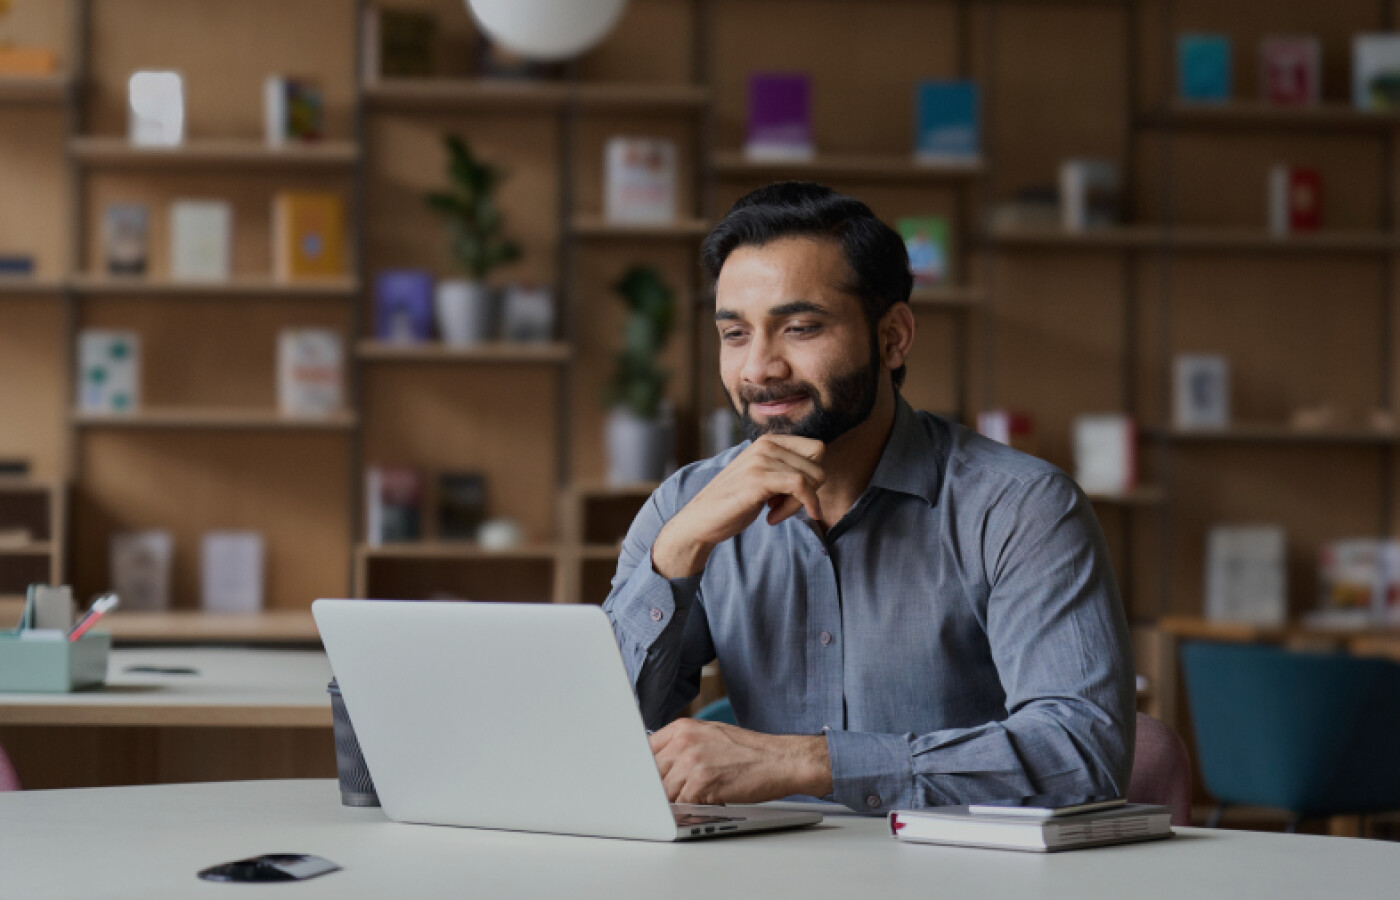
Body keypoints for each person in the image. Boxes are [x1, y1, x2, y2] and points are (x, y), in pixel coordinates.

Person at [602, 182, 1135, 814]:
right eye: (736, 333)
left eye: (799, 327)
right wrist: (677, 555)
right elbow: (593, 740)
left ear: (893, 337)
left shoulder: (1022, 508)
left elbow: (1082, 754)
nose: (759, 369)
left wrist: (810, 762)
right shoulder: (684, 507)